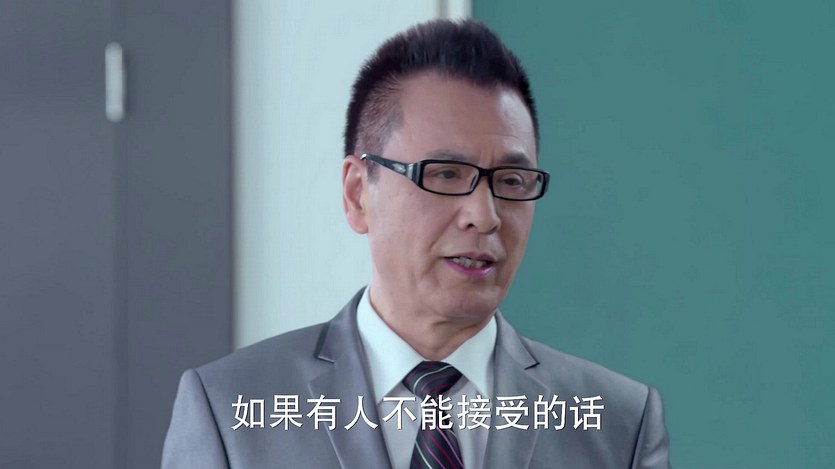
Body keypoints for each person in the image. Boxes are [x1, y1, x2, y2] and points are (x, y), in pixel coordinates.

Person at [162, 19, 670, 469]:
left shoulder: (619, 424)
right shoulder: (230, 410)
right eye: (445, 174)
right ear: (358, 194)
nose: (484, 216)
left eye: (512, 181)